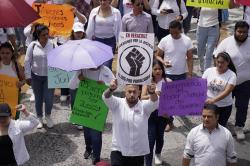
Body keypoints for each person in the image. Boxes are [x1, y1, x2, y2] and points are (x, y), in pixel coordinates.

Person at [103, 80, 159, 166]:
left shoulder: (144, 106)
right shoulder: (117, 103)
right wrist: (110, 89)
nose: (132, 94)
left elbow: (155, 102)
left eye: (134, 92)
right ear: (125, 91)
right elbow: (106, 97)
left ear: (139, 92)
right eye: (129, 91)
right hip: (118, 150)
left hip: (137, 153)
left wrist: (152, 92)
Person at [69, 65, 115, 165]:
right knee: (87, 131)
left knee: (96, 133)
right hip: (85, 107)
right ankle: (88, 148)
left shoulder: (105, 70)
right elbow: (71, 86)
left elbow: (114, 84)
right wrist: (78, 77)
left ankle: (96, 156)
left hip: (99, 108)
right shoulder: (82, 70)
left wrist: (106, 84)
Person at [214, 21, 250, 140]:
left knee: (242, 106)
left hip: (245, 82)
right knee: (223, 105)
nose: (241, 34)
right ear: (235, 30)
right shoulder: (226, 42)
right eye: (239, 31)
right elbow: (216, 57)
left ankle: (239, 127)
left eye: (244, 32)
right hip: (227, 81)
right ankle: (219, 125)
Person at [155, 20, 193, 131]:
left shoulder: (187, 40)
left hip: (181, 74)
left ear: (180, 30)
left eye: (176, 33)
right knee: (168, 99)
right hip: (168, 74)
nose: (173, 35)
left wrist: (190, 73)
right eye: (171, 33)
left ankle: (174, 114)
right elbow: (157, 56)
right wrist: (163, 62)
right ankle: (170, 122)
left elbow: (190, 58)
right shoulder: (164, 40)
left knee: (178, 99)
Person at [24, 24, 56, 129]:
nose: (46, 36)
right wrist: (28, 76)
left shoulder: (53, 45)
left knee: (49, 98)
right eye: (43, 35)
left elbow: (60, 59)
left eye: (47, 34)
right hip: (35, 76)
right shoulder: (32, 45)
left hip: (49, 76)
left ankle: (48, 115)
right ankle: (39, 118)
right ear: (38, 35)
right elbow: (27, 61)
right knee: (38, 98)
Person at [141, 59, 171, 166]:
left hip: (163, 114)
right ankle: (148, 162)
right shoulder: (148, 82)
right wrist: (153, 94)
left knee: (160, 136)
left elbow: (174, 99)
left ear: (162, 70)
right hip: (150, 114)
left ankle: (158, 154)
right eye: (155, 69)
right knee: (150, 140)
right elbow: (142, 97)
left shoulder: (168, 81)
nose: (157, 71)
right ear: (151, 71)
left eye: (159, 69)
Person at [202, 52, 237, 127]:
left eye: (222, 63)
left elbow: (227, 92)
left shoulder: (232, 75)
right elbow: (201, 85)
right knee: (208, 125)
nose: (220, 64)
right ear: (215, 61)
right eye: (218, 62)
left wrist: (213, 100)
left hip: (224, 106)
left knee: (220, 127)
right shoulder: (209, 71)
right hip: (209, 106)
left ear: (228, 63)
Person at [86, 0, 122, 70]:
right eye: (101, 0)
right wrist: (87, 41)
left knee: (107, 65)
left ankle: (108, 80)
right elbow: (89, 29)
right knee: (97, 65)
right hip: (96, 42)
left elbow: (119, 29)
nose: (103, 2)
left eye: (105, 0)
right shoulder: (94, 11)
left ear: (109, 1)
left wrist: (119, 42)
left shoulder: (116, 12)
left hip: (110, 42)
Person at [196, 7, 220, 73]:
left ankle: (207, 71)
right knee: (200, 50)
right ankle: (201, 63)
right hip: (201, 26)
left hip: (214, 26)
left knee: (209, 50)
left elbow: (226, 5)